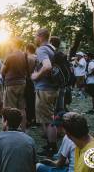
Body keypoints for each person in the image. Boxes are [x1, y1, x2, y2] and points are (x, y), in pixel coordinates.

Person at [31, 28, 59, 156]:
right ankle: (50, 145)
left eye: (36, 36)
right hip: (52, 88)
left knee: (48, 120)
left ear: (41, 36)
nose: (35, 38)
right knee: (49, 118)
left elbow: (47, 66)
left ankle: (52, 147)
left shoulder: (42, 49)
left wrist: (37, 76)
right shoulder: (52, 48)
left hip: (44, 89)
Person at [1, 38, 34, 131]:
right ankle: (23, 130)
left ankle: (10, 130)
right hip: (22, 84)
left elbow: (2, 71)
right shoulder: (25, 56)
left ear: (13, 44)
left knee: (10, 108)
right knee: (22, 108)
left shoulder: (10, 56)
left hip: (11, 84)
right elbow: (28, 71)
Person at [0, 108, 36, 172]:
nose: (1, 122)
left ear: (6, 122)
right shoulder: (30, 140)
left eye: (2, 120)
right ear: (19, 123)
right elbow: (33, 167)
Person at [25, 43, 37, 126]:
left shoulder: (27, 58)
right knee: (35, 100)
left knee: (28, 100)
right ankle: (35, 118)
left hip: (28, 80)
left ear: (27, 49)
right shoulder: (37, 57)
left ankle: (29, 119)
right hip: (37, 81)